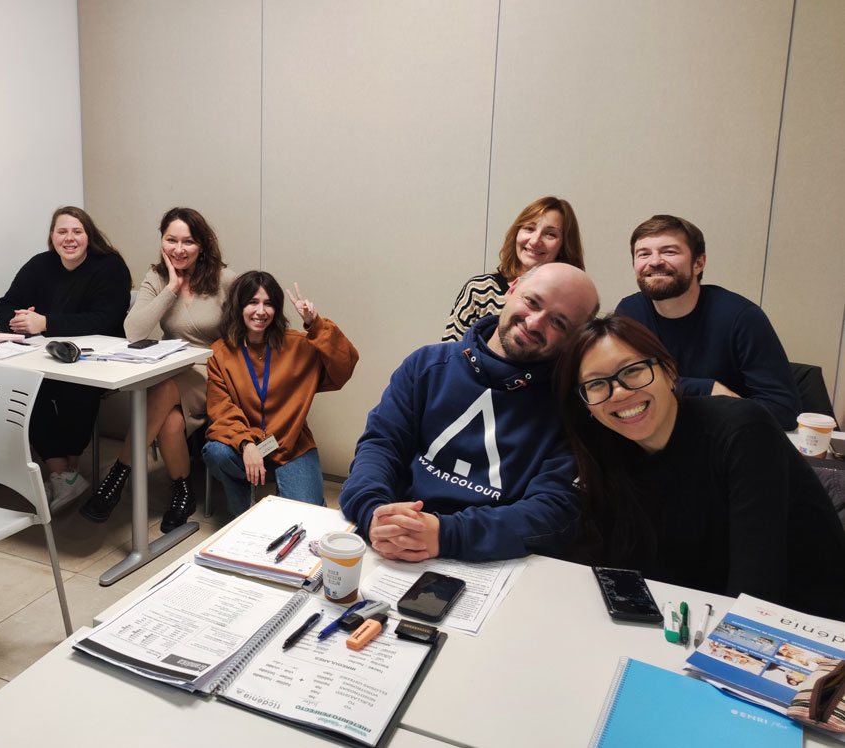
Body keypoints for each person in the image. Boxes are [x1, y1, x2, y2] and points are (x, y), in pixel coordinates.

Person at [553, 314, 845, 620]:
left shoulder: (743, 430)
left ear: (668, 371)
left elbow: (757, 590)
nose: (620, 392)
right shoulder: (612, 454)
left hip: (807, 626)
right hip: (698, 615)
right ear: (585, 403)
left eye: (633, 370)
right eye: (597, 384)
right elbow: (621, 571)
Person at [341, 262, 598, 563]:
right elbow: (380, 445)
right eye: (532, 302)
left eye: (559, 323)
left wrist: (445, 534)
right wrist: (373, 511)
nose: (535, 323)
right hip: (393, 539)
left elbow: (554, 510)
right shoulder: (426, 366)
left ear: (575, 338)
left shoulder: (572, 407)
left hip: (495, 559)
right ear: (512, 289)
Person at [81, 207, 236, 531]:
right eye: (171, 240)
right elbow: (134, 331)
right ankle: (182, 493)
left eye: (188, 242)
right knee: (170, 419)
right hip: (170, 367)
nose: (179, 249)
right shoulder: (157, 277)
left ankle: (117, 476)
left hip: (213, 372)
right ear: (162, 241)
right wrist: (172, 288)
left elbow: (242, 337)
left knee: (163, 391)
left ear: (202, 245)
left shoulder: (225, 279)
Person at [0, 206, 130, 512]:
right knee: (20, 389)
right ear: (52, 237)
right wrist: (19, 319)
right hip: (41, 359)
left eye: (77, 231)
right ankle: (62, 472)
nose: (69, 238)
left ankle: (64, 475)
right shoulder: (40, 265)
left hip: (95, 361)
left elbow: (104, 319)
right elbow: (3, 306)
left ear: (89, 236)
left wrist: (45, 323)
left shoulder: (109, 266)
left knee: (75, 388)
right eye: (62, 231)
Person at [614, 214, 800, 430]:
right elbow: (621, 381)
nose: (654, 262)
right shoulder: (630, 312)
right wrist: (704, 388)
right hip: (656, 436)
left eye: (669, 251)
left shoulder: (741, 317)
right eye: (643, 254)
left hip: (726, 438)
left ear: (698, 263)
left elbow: (784, 410)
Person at [202, 272, 358, 517]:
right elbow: (221, 410)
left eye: (269, 303)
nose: (261, 311)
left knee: (308, 517)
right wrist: (245, 444)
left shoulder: (299, 345)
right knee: (216, 452)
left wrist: (316, 324)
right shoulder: (220, 353)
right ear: (239, 306)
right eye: (253, 302)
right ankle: (243, 515)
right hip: (244, 446)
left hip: (291, 444)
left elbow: (344, 366)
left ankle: (281, 490)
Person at [442, 196, 584, 342]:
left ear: (564, 246)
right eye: (529, 228)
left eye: (550, 234)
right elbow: (449, 353)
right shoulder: (480, 290)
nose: (535, 241)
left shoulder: (570, 306)